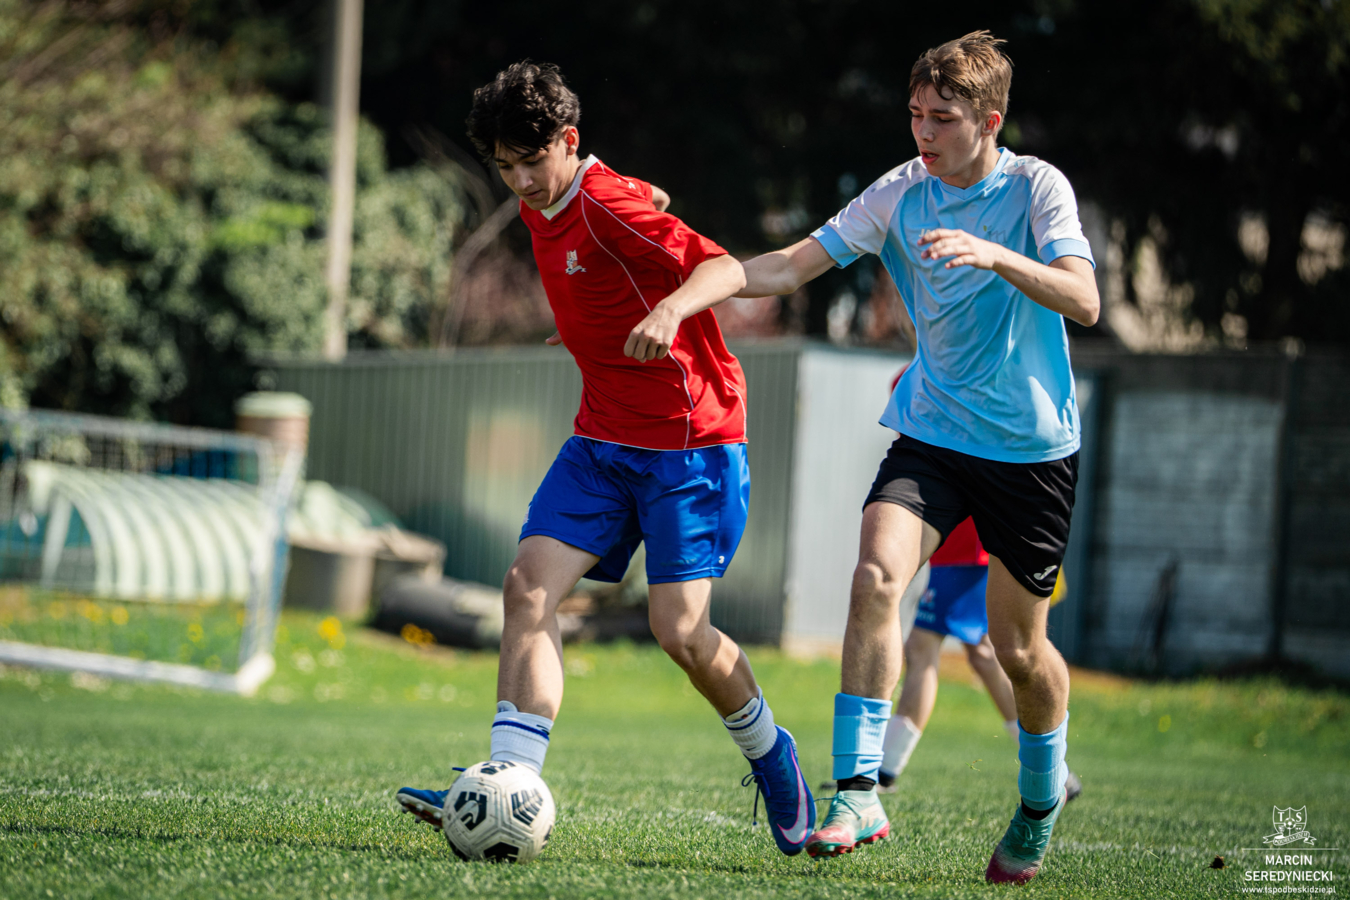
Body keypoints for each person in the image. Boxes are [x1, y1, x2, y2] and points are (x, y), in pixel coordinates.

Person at [395, 61, 814, 857]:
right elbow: (630, 214)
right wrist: (593, 321)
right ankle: (507, 780)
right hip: (601, 439)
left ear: (569, 140)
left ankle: (771, 752)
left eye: (531, 161)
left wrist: (669, 309)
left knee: (680, 632)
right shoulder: (553, 197)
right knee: (527, 588)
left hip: (689, 441)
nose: (521, 182)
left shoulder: (603, 203)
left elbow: (721, 266)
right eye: (505, 166)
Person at [738, 31, 1098, 882]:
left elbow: (1084, 299)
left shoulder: (1037, 187)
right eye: (915, 115)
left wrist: (996, 254)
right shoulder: (900, 192)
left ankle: (1039, 801)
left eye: (943, 119)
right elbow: (789, 267)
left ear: (990, 122)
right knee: (874, 578)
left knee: (1018, 652)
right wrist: (686, 284)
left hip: (1030, 453)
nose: (923, 133)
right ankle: (859, 793)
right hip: (933, 433)